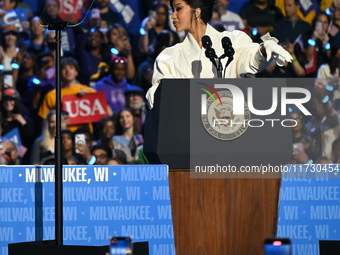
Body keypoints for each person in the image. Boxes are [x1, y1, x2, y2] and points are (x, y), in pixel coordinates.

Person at [146, 0, 292, 108]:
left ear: (196, 11)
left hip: (229, 130)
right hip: (187, 136)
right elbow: (162, 95)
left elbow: (251, 59)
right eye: (173, 10)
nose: (173, 16)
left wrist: (264, 49)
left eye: (178, 9)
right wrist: (157, 94)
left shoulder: (232, 40)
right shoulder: (168, 57)